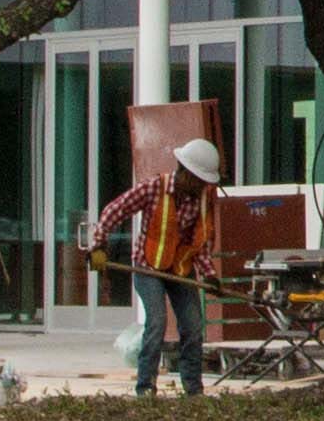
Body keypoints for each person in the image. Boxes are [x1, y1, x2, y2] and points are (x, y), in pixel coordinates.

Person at [91, 135, 225, 398]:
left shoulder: (204, 198)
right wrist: (98, 244)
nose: (201, 187)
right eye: (198, 181)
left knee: (193, 326)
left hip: (180, 269)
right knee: (157, 322)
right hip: (148, 266)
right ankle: (145, 387)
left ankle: (193, 390)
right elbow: (113, 211)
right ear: (185, 173)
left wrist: (210, 275)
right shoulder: (154, 188)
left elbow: (200, 241)